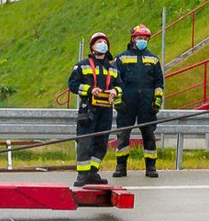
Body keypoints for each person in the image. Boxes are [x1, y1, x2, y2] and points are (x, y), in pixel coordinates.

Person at [111, 24, 165, 178]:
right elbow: (115, 81)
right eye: (140, 38)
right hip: (127, 102)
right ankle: (121, 166)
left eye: (145, 38)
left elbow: (159, 83)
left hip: (147, 103)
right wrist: (118, 100)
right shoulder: (122, 58)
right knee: (123, 134)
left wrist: (157, 101)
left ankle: (151, 167)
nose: (143, 41)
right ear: (133, 39)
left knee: (148, 134)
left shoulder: (153, 59)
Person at [68, 31, 121, 187]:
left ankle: (93, 172)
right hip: (88, 109)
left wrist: (115, 92)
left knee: (101, 141)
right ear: (92, 46)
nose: (101, 44)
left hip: (105, 110)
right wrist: (90, 90)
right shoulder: (82, 65)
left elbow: (120, 86)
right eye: (98, 41)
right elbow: (73, 85)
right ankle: (82, 175)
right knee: (85, 140)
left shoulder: (113, 68)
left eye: (104, 42)